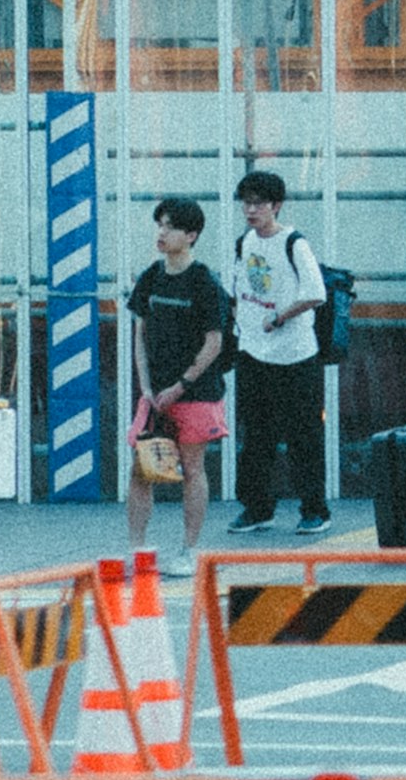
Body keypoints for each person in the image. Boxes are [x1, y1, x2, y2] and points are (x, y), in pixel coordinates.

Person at [124, 193, 232, 560]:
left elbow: (214, 342)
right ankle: (137, 549)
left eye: (170, 226)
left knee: (191, 466)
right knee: (141, 469)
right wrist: (148, 387)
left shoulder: (204, 282)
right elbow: (140, 333)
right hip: (155, 394)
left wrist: (181, 384)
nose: (162, 232)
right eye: (160, 224)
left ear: (192, 235)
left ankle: (189, 548)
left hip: (197, 392)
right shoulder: (150, 278)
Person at [226, 167, 329, 532]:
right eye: (246, 203)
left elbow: (316, 293)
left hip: (296, 354)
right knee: (256, 436)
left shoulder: (294, 243)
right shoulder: (245, 242)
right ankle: (257, 508)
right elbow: (238, 288)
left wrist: (280, 317)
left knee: (304, 436)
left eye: (258, 204)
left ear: (276, 205)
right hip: (254, 353)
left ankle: (314, 509)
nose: (250, 210)